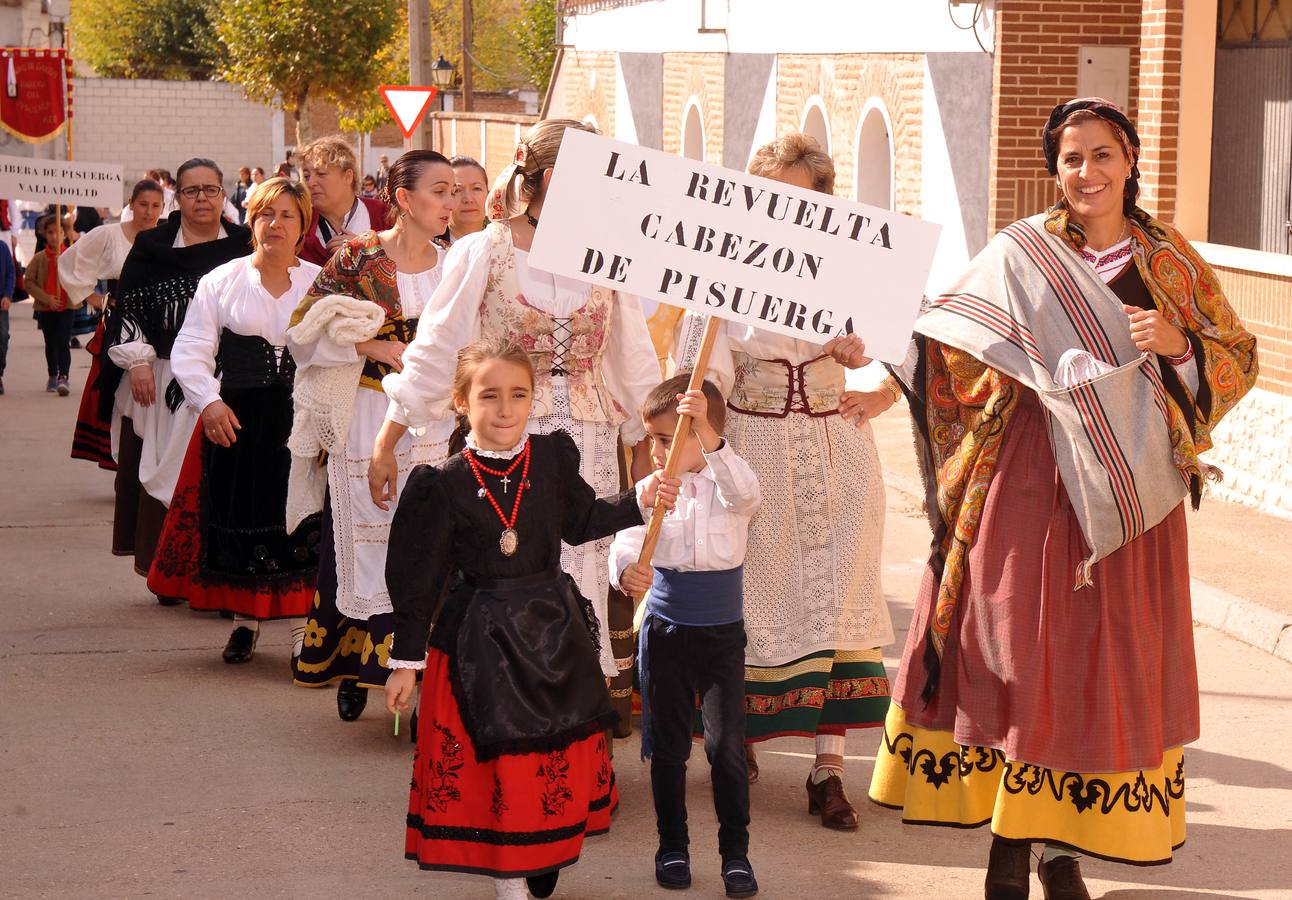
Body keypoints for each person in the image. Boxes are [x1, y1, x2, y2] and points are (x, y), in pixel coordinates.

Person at [867, 99, 1259, 899]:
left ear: (1132, 160)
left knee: (1094, 667)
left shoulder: (1169, 259)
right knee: (1018, 652)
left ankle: (1061, 850)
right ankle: (1011, 848)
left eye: (1103, 155)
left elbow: (1237, 359)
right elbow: (947, 343)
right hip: (1028, 476)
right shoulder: (1021, 252)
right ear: (1055, 170)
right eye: (1072, 159)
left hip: (1129, 494)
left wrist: (1178, 346)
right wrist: (879, 367)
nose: (1087, 173)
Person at [383, 335, 678, 900]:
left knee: (551, 754)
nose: (505, 408)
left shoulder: (548, 457)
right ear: (462, 402)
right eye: (489, 395)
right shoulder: (442, 484)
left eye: (518, 395)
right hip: (481, 641)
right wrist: (405, 662)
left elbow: (583, 519)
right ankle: (510, 876)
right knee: (502, 762)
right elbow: (418, 581)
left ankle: (540, 850)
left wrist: (643, 497)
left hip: (550, 628)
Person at [372, 119, 661, 686]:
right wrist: (389, 439)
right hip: (504, 436)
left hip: (590, 439)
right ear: (552, 178)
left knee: (582, 565)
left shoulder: (606, 257)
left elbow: (632, 356)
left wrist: (647, 441)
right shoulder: (483, 251)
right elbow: (435, 348)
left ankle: (573, 704)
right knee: (504, 565)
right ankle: (499, 696)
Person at [676, 134, 898, 826]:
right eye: (776, 194)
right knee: (751, 602)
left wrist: (877, 386)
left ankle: (828, 770)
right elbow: (701, 362)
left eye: (805, 196)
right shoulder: (725, 268)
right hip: (756, 450)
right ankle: (736, 738)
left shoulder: (857, 267)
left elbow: (918, 347)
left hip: (841, 454)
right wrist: (698, 428)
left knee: (836, 604)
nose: (790, 208)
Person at [286, 150, 456, 717]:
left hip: (434, 419)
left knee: (425, 533)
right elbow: (302, 332)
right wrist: (370, 345)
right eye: (440, 191)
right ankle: (361, 665)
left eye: (456, 192)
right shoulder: (357, 258)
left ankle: (418, 668)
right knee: (366, 526)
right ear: (404, 199)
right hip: (365, 411)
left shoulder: (454, 262)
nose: (451, 203)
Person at [146, 177, 321, 664]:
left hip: (301, 420)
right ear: (252, 220)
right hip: (238, 421)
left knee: (298, 519)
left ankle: (300, 631)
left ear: (304, 225)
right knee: (242, 517)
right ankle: (245, 623)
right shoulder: (221, 281)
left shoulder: (318, 283)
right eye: (266, 213)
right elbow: (192, 350)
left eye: (288, 215)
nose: (276, 224)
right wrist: (209, 403)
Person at [611, 375, 761, 898]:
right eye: (651, 438)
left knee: (725, 750)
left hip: (721, 636)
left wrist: (712, 440)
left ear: (705, 434)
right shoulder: (652, 491)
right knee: (669, 748)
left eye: (666, 437)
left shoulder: (731, 483)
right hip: (667, 632)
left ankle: (735, 853)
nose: (655, 450)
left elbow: (747, 495)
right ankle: (671, 845)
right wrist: (627, 569)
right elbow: (626, 541)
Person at [100, 158, 252, 592]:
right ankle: (166, 571)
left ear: (224, 195)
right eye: (191, 191)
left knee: (222, 475)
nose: (202, 198)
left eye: (210, 189)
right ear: (177, 197)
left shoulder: (245, 245)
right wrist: (140, 361)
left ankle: (218, 573)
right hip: (162, 374)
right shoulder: (152, 248)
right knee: (165, 471)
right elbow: (126, 308)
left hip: (230, 378)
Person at [64, 180, 167, 468]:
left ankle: (142, 462)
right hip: (118, 324)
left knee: (149, 394)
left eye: (155, 205)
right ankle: (118, 462)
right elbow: (71, 261)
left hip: (156, 328)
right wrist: (96, 299)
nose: (149, 212)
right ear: (131, 204)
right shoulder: (109, 235)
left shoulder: (166, 238)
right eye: (143, 204)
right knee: (115, 390)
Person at [298, 136, 389, 267]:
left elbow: (407, 261)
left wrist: (364, 249)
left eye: (321, 174)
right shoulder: (300, 224)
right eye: (306, 176)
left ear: (348, 177)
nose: (310, 183)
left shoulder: (382, 214)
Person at [24, 213, 82, 396]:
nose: (54, 237)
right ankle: (52, 373)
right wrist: (45, 297)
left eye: (58, 232)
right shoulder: (39, 258)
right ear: (44, 234)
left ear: (65, 234)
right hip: (46, 307)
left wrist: (66, 266)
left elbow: (81, 276)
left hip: (67, 306)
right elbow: (29, 281)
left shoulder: (72, 255)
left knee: (63, 340)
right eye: (50, 233)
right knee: (50, 342)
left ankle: (63, 376)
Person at [445, 155, 488, 242]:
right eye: (457, 190)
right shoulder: (429, 249)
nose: (468, 199)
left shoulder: (507, 243)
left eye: (476, 188)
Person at [0, 235, 15, 396]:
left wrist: (7, 295)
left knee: (2, 336)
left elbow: (11, 274)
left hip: (1, 304)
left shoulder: (3, 248)